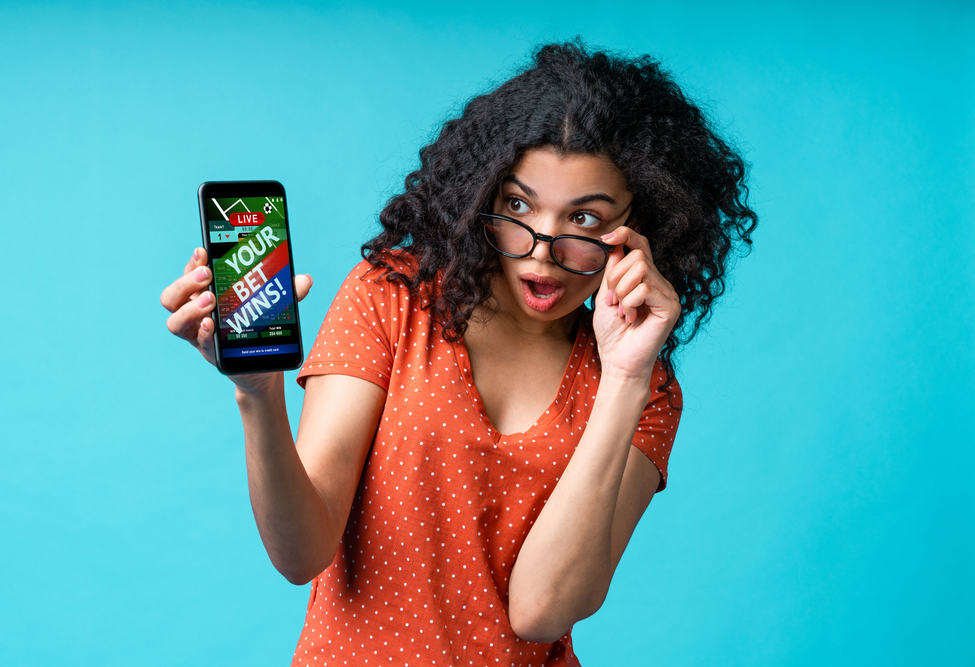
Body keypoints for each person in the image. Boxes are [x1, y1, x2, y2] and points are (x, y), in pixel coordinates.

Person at [161, 41, 756, 666]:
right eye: (520, 206)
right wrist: (258, 394)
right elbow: (302, 553)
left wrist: (626, 379)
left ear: (644, 227)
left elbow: (541, 611)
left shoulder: (644, 387)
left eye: (583, 220)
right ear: (484, 196)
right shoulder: (394, 296)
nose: (542, 252)